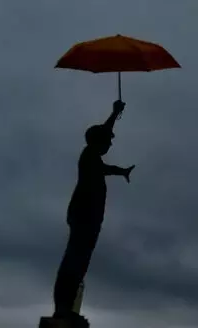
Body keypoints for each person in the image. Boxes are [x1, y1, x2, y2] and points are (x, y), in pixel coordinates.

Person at [52, 99, 134, 324]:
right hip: (84, 217)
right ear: (99, 142)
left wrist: (115, 113)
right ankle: (62, 307)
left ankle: (66, 308)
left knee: (79, 263)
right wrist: (113, 114)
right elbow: (105, 158)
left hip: (89, 218)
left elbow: (104, 134)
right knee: (74, 261)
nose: (111, 144)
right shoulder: (89, 156)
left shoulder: (92, 155)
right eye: (108, 141)